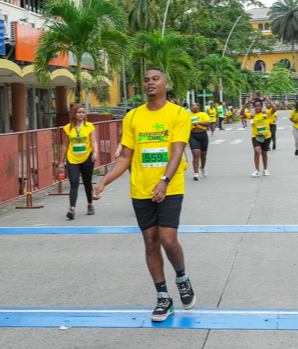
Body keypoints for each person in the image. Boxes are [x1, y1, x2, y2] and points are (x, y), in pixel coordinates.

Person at [91, 67, 195, 323]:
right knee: (150, 241)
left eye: (155, 78)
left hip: (169, 187)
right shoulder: (133, 117)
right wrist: (104, 181)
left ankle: (181, 277)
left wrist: (164, 181)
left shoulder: (179, 114)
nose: (150, 82)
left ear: (166, 83)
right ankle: (163, 298)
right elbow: (125, 156)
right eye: (146, 79)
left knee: (168, 240)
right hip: (140, 189)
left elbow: (177, 153)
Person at [57, 103, 98, 219]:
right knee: (74, 183)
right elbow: (65, 145)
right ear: (74, 114)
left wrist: (95, 152)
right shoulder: (68, 128)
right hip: (72, 158)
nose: (81, 114)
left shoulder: (89, 126)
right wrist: (61, 161)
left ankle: (90, 205)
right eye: (79, 112)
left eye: (83, 112)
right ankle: (72, 209)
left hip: (87, 158)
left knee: (87, 182)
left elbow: (94, 141)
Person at [241, 97, 275, 176]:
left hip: (266, 136)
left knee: (264, 153)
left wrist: (268, 100)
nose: (257, 108)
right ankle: (257, 170)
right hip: (256, 136)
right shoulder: (252, 114)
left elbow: (275, 109)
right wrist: (246, 103)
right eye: (255, 106)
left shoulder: (266, 113)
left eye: (259, 106)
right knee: (257, 151)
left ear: (261, 106)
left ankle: (265, 169)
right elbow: (242, 114)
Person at [188, 102, 211, 180]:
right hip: (193, 135)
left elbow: (208, 123)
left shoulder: (203, 114)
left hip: (203, 135)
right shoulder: (188, 116)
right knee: (195, 154)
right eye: (191, 106)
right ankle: (196, 173)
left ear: (198, 107)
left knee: (203, 154)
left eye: (193, 105)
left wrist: (199, 123)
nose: (192, 107)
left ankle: (202, 167)